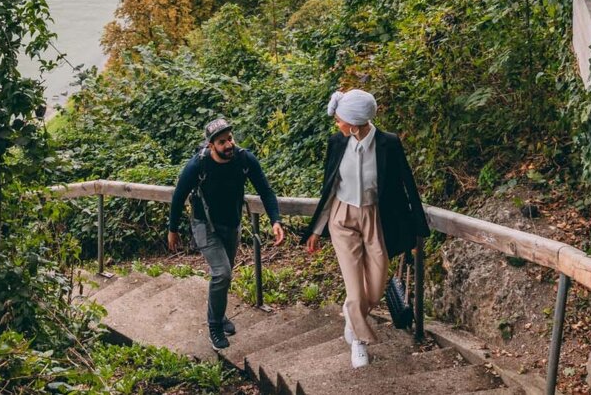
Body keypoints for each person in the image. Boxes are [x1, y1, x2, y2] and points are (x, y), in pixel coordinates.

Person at [303, 89, 430, 369]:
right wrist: (316, 229)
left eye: (340, 119)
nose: (337, 124)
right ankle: (358, 341)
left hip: (376, 218)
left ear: (356, 122)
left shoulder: (389, 144)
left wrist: (416, 227)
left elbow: (406, 185)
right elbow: (329, 187)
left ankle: (352, 318)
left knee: (374, 289)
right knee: (355, 290)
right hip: (342, 217)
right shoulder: (337, 142)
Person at [168, 118, 285, 351]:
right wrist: (172, 229)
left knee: (225, 273)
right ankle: (214, 326)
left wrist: (276, 220)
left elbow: (265, 190)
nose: (228, 144)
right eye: (222, 142)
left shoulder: (244, 160)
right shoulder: (197, 165)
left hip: (231, 223)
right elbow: (179, 195)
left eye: (230, 138)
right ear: (211, 145)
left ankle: (219, 316)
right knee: (222, 274)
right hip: (204, 224)